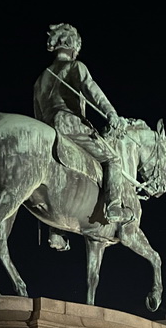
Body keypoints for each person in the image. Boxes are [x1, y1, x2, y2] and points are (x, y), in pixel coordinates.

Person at [32, 22, 133, 240]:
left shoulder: (40, 79)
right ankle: (114, 207)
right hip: (70, 124)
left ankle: (56, 232)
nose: (78, 47)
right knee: (113, 159)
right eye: (77, 43)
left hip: (47, 128)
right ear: (70, 44)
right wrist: (112, 114)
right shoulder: (76, 67)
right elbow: (92, 90)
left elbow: (38, 114)